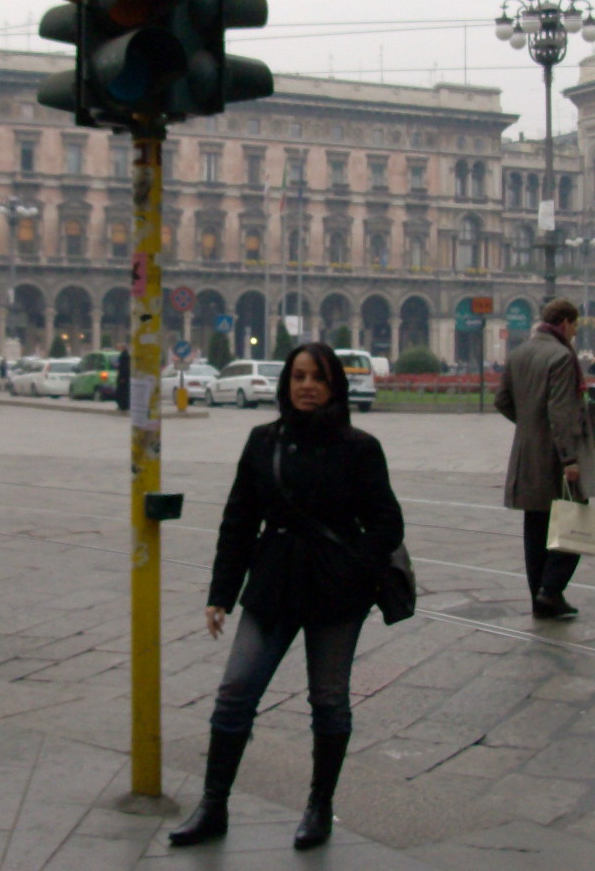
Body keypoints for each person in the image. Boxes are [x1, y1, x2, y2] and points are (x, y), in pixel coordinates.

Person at [169, 343, 404, 851]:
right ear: (286, 383)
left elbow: (387, 521)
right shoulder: (263, 441)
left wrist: (357, 571)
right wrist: (221, 594)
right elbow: (238, 521)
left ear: (334, 386)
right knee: (235, 692)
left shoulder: (359, 446)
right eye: (298, 376)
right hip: (274, 582)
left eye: (317, 378)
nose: (306, 386)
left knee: (329, 701)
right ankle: (213, 805)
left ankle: (319, 807)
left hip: (334, 590)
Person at [494, 298, 595, 622]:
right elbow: (561, 410)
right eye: (575, 327)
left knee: (536, 525)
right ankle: (550, 591)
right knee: (576, 520)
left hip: (528, 452)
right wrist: (569, 458)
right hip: (557, 456)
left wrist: (528, 425)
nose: (574, 333)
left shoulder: (518, 353)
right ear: (566, 323)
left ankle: (539, 597)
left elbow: (502, 400)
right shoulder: (561, 356)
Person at [115, 344, 131, 412]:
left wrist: (122, 377)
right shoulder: (126, 355)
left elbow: (123, 367)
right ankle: (124, 405)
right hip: (126, 377)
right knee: (125, 392)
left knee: (122, 392)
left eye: (120, 347)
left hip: (123, 377)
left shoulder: (124, 356)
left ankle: (122, 406)